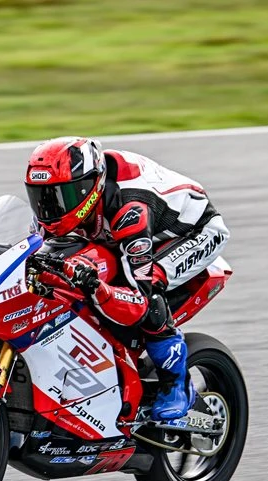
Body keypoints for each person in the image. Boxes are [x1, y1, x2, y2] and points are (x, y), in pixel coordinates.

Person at [24, 136, 230, 421]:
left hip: (192, 232)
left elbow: (138, 300)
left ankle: (176, 385)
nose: (49, 207)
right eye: (42, 196)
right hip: (124, 230)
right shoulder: (52, 212)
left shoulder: (130, 210)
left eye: (60, 196)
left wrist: (97, 287)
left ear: (88, 187)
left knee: (150, 291)